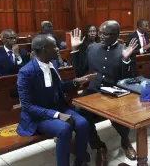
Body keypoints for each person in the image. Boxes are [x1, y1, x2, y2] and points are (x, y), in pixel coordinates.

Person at [16, 34, 96, 166]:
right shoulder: (26, 72)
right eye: (54, 46)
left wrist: (78, 81)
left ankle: (80, 161)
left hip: (57, 106)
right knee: (64, 129)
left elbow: (59, 87)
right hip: (38, 116)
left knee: (82, 123)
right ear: (44, 50)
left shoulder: (52, 63)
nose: (58, 48)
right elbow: (27, 107)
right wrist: (57, 115)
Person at [70, 21, 138, 166]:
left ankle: (125, 142)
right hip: (94, 91)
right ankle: (98, 146)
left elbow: (130, 79)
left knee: (122, 112)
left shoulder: (125, 49)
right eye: (100, 32)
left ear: (116, 35)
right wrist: (75, 50)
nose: (101, 36)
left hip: (116, 92)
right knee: (79, 111)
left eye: (106, 34)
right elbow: (80, 72)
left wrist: (126, 59)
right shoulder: (92, 48)